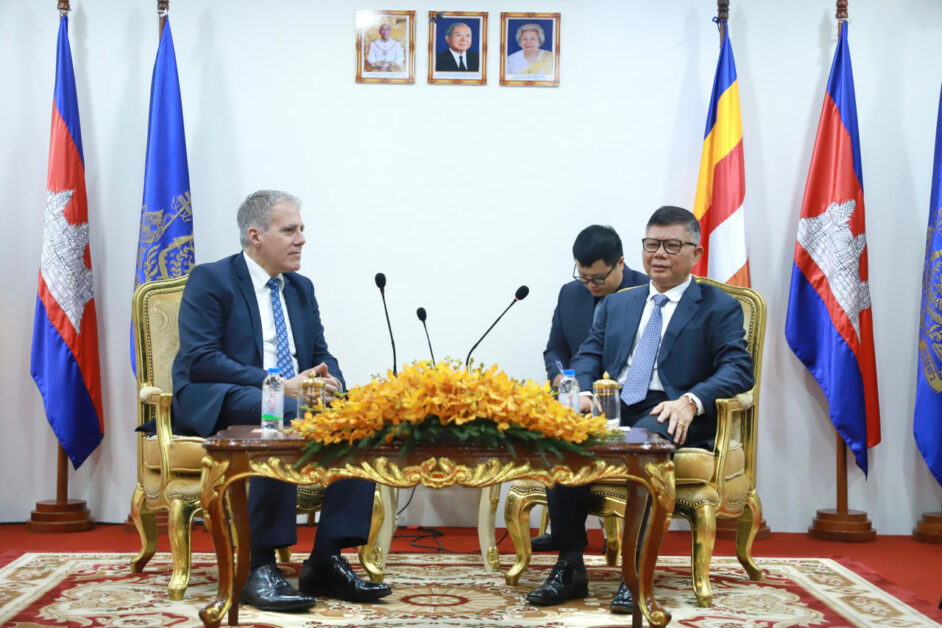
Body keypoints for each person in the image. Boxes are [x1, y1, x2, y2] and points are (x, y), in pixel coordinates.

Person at [171, 190, 391, 612]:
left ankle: (326, 560)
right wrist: (278, 384)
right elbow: (201, 359)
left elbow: (321, 353)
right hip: (225, 395)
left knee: (361, 416)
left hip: (293, 397)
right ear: (255, 235)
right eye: (290, 230)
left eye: (301, 229)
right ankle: (257, 565)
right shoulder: (212, 279)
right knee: (281, 408)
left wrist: (331, 381)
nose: (301, 239)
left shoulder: (301, 289)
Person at [526, 206, 754, 613]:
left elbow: (738, 368)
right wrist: (580, 391)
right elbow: (588, 354)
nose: (659, 254)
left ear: (696, 253)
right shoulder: (619, 303)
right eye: (652, 244)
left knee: (642, 444)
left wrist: (692, 400)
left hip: (669, 408)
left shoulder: (717, 306)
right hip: (614, 402)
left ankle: (634, 573)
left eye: (672, 245)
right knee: (564, 434)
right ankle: (570, 566)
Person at [533, 225, 648, 553]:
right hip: (576, 395)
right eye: (583, 277)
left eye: (598, 278)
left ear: (620, 263)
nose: (590, 285)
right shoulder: (570, 294)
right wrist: (562, 378)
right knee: (556, 431)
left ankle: (626, 542)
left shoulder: (646, 292)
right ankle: (566, 535)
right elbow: (556, 350)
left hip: (626, 402)